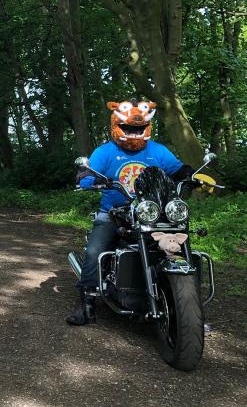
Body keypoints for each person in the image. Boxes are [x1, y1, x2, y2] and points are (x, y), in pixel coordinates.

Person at [67, 100, 194, 326]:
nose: (134, 132)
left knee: (179, 239)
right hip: (114, 213)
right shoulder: (105, 152)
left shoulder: (157, 150)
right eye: (129, 128)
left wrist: (190, 175)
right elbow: (85, 175)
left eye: (138, 128)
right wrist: (90, 179)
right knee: (95, 250)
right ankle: (86, 303)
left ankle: (189, 306)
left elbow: (176, 170)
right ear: (117, 125)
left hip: (152, 212)